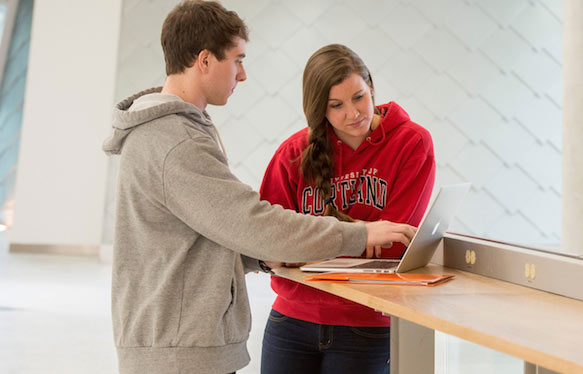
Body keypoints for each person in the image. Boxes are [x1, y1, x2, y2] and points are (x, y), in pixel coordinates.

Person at [101, 3, 415, 374]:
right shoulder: (175, 140)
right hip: (179, 351)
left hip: (179, 343)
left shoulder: (178, 131)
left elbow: (203, 235)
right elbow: (251, 222)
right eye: (237, 59)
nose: (243, 73)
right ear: (204, 60)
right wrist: (359, 234)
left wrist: (261, 258)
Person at [258, 44, 436, 374]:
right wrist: (362, 237)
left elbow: (394, 245)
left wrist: (307, 246)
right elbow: (268, 241)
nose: (353, 113)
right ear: (318, 110)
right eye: (335, 105)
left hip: (366, 323)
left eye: (359, 97)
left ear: (372, 88)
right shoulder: (293, 153)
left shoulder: (412, 143)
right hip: (290, 321)